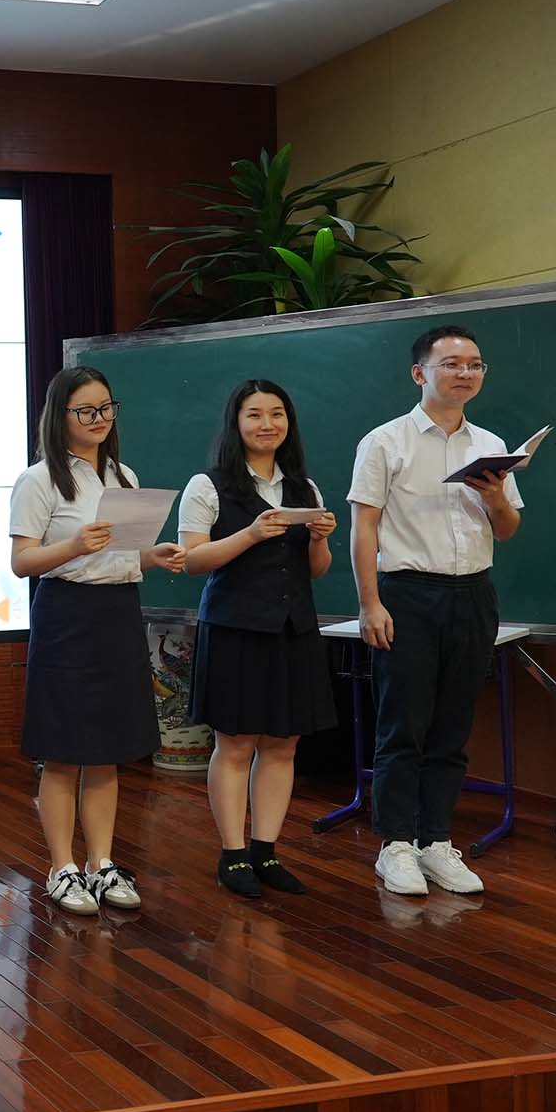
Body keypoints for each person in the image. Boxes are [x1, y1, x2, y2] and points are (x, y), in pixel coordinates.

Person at [349, 324, 521, 896]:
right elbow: (363, 527)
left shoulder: (490, 444)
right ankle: (395, 844)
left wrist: (495, 495)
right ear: (419, 372)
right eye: (451, 363)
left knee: (453, 726)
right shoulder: (385, 442)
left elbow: (508, 529)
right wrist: (370, 603)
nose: (465, 372)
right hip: (407, 593)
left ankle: (436, 842)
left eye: (474, 364)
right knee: (404, 725)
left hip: (473, 594)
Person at [8, 366, 186, 916]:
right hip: (66, 615)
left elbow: (120, 556)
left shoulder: (123, 475)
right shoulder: (39, 479)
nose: (99, 419)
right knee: (64, 751)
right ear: (59, 416)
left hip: (118, 613)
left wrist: (150, 556)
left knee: (107, 751)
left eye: (107, 408)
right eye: (86, 410)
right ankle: (62, 867)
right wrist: (74, 546)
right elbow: (22, 562)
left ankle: (101, 863)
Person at [179, 379, 337, 898]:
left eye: (276, 414)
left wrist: (319, 541)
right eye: (254, 414)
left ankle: (266, 852)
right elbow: (192, 560)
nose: (267, 424)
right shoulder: (207, 485)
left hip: (293, 629)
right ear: (236, 422)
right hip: (235, 629)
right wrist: (249, 534)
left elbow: (316, 570)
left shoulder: (305, 489)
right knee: (235, 743)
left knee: (283, 744)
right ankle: (232, 855)